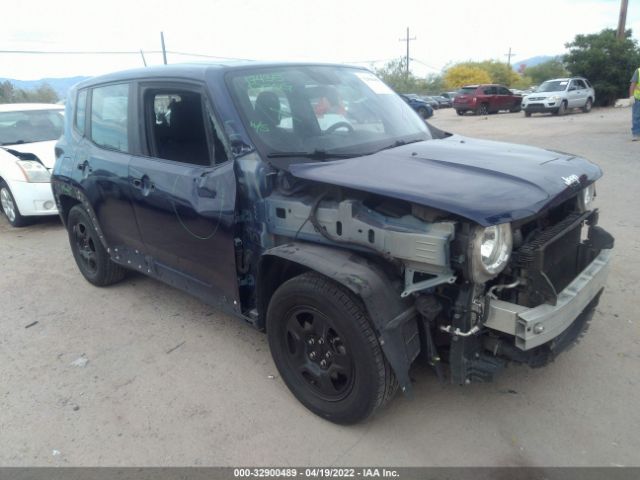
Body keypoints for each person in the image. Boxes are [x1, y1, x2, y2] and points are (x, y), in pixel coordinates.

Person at [631, 66, 640, 141]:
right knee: (636, 116)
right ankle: (636, 134)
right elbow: (633, 85)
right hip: (638, 98)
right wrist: (631, 96)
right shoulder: (638, 71)